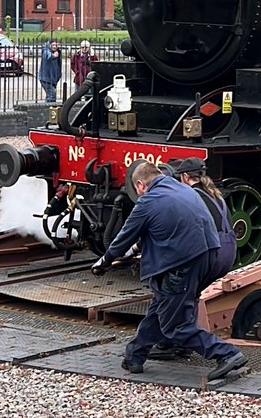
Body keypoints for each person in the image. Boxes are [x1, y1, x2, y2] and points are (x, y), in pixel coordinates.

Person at [91, 161, 247, 380]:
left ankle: (227, 354)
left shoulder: (148, 201)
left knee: (174, 326)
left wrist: (104, 262)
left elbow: (124, 238)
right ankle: (135, 355)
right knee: (161, 306)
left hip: (180, 264)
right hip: (208, 255)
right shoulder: (185, 190)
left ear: (140, 185)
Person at [149, 157, 237, 361]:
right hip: (228, 252)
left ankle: (178, 342)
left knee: (174, 293)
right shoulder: (217, 195)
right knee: (190, 294)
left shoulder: (189, 194)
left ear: (185, 177)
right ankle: (175, 341)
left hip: (211, 251)